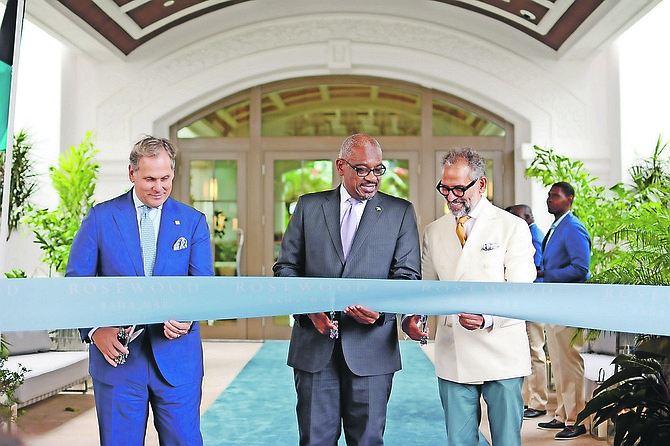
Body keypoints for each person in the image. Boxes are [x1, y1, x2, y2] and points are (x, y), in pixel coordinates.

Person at [273, 133, 421, 446]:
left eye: (378, 170)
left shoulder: (400, 212)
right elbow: (285, 269)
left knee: (367, 440)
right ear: (341, 166)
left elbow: (407, 276)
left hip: (372, 349)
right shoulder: (308, 207)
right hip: (314, 347)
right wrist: (311, 311)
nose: (372, 178)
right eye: (362, 169)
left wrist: (379, 312)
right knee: (314, 440)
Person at [66, 136, 214, 446]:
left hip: (177, 362)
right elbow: (76, 284)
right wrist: (94, 330)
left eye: (165, 178)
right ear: (132, 174)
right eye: (150, 179)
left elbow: (202, 288)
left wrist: (187, 316)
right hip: (118, 362)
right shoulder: (100, 218)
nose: (159, 187)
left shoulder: (192, 222)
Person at [404, 148, 535, 446]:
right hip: (454, 351)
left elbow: (522, 291)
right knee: (459, 442)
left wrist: (487, 317)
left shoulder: (511, 226)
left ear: (482, 184)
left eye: (459, 188)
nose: (451, 197)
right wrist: (415, 319)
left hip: (501, 350)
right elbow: (426, 288)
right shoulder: (434, 231)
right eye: (445, 188)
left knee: (506, 441)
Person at [537, 182, 591, 440]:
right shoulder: (557, 227)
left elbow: (581, 269)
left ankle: (577, 419)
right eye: (549, 196)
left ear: (570, 199)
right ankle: (562, 414)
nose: (550, 200)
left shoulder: (573, 227)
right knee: (557, 362)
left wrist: (546, 275)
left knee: (569, 362)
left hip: (569, 305)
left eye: (555, 196)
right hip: (555, 304)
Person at [506, 205, 548, 419]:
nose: (512, 220)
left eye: (516, 216)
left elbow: (535, 266)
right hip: (527, 300)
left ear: (528, 217)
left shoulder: (533, 235)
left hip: (534, 299)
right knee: (529, 352)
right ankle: (531, 399)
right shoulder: (525, 232)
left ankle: (539, 402)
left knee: (535, 351)